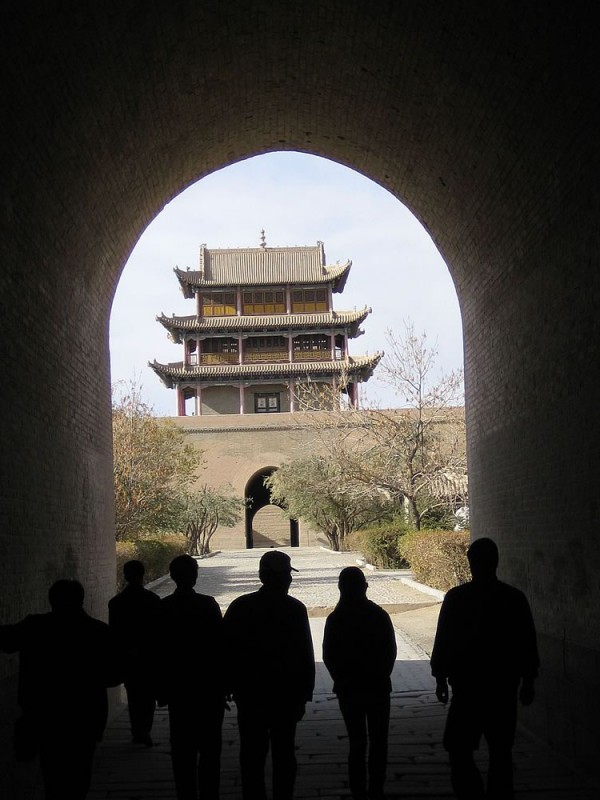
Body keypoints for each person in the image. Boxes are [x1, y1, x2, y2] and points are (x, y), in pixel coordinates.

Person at [430, 537, 539, 800]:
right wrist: (528, 681)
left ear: (470, 563)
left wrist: (440, 679)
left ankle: (472, 793)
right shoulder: (513, 598)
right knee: (501, 752)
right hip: (502, 688)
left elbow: (443, 640)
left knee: (458, 749)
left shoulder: (457, 598)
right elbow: (527, 642)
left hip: (467, 690)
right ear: (496, 562)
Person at [0, 579, 122, 800]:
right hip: (86, 716)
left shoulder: (35, 627)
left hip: (46, 716)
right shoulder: (99, 632)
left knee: (52, 776)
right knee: (80, 775)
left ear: (52, 600)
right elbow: (114, 676)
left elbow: (5, 641)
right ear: (81, 600)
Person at [223, 550, 315, 800]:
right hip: (285, 696)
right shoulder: (295, 609)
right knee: (284, 753)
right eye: (287, 575)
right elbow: (305, 655)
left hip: (250, 694)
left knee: (251, 754)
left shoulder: (241, 607)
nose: (289, 580)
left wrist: (226, 686)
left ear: (262, 575)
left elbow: (226, 651)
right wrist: (305, 693)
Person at [322, 566, 397, 800]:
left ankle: (358, 790)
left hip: (349, 689)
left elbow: (329, 655)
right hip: (377, 687)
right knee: (378, 741)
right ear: (365, 587)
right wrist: (381, 675)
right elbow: (390, 652)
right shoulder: (378, 615)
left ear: (340, 588)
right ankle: (376, 788)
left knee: (357, 742)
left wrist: (341, 679)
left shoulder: (336, 618)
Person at [159, 554, 225, 800]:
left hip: (179, 690)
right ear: (195, 576)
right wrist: (224, 685)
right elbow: (220, 647)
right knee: (210, 749)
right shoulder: (207, 605)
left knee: (182, 749)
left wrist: (161, 689)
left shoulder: (164, 607)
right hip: (208, 689)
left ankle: (185, 794)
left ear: (173, 576)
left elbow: (159, 651)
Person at [108, 559, 162, 746]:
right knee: (148, 695)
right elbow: (157, 632)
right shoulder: (153, 600)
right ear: (142, 575)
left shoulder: (116, 603)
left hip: (128, 656)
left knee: (133, 695)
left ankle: (137, 729)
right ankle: (144, 729)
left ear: (125, 576)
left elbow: (114, 632)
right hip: (148, 656)